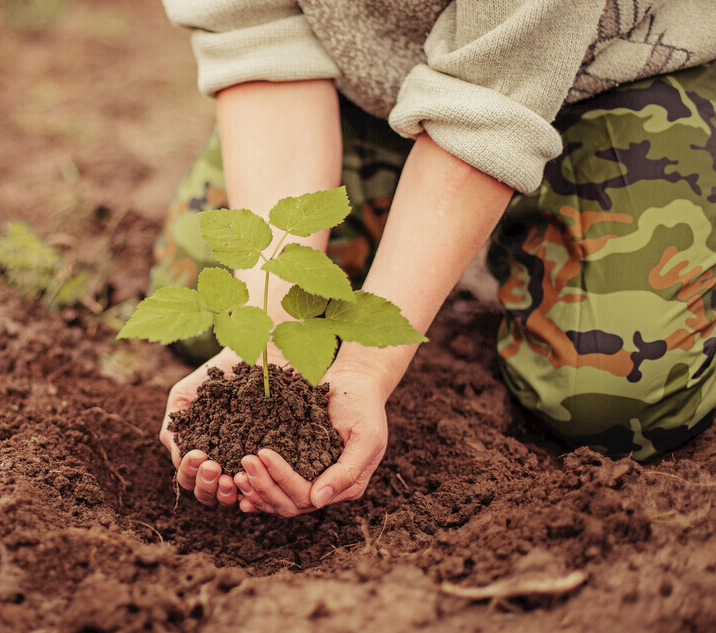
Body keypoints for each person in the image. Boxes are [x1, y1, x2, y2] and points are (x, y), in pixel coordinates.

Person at [151, 1, 716, 517]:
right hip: (362, 74)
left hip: (618, 69)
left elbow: (494, 96)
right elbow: (257, 31)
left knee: (614, 400)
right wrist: (271, 321)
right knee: (217, 317)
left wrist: (370, 363)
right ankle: (402, 160)